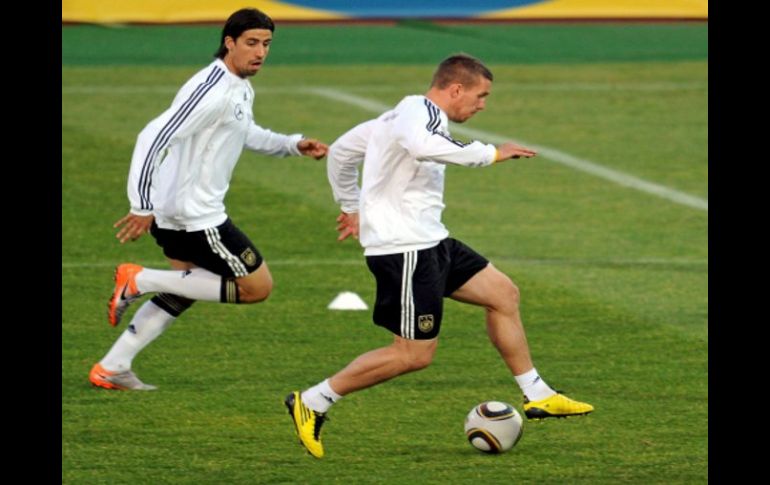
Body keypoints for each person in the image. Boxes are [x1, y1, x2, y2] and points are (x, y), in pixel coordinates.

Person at [285, 54, 593, 458]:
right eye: (480, 96)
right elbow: (423, 145)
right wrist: (491, 153)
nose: (482, 104)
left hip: (432, 241)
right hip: (406, 249)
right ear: (455, 89)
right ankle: (313, 401)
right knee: (412, 354)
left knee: (503, 294)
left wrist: (351, 206)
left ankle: (538, 395)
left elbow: (342, 151)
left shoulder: (394, 117)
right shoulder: (419, 113)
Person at [89, 8, 328, 391]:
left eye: (266, 44)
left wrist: (291, 145)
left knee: (184, 287)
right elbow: (153, 136)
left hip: (182, 211)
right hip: (194, 215)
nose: (261, 52)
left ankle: (113, 366)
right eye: (252, 43)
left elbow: (243, 131)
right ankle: (138, 279)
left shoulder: (238, 85)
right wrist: (140, 204)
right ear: (229, 42)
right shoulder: (211, 90)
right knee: (256, 287)